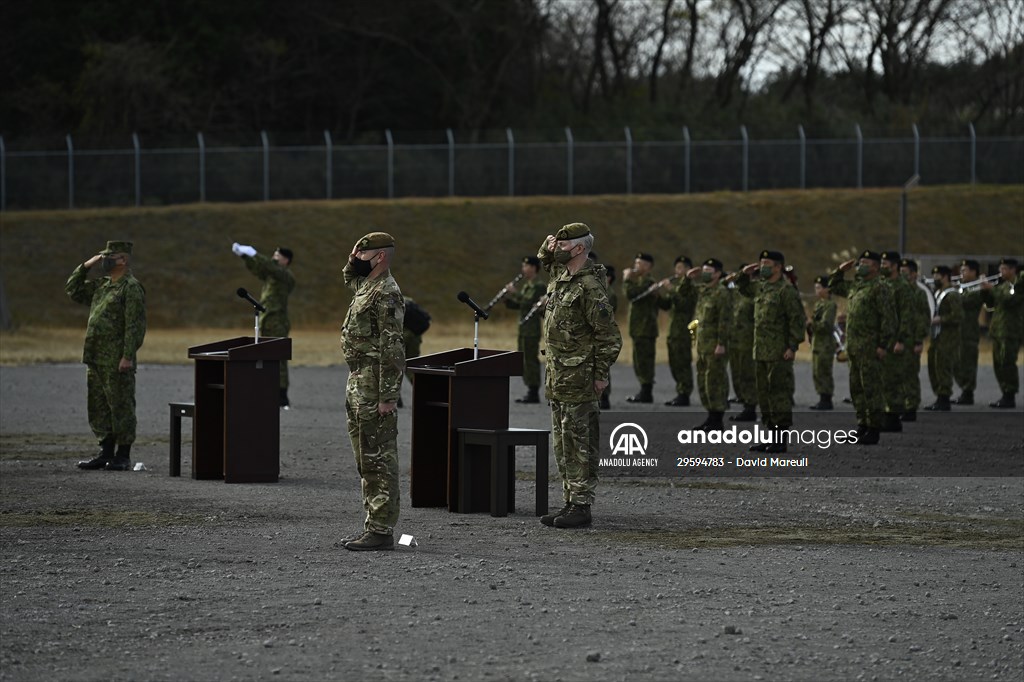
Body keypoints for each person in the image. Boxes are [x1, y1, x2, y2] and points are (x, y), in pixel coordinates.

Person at [538, 222, 621, 529]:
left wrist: (600, 375)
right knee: (562, 444)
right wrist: (548, 247)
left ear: (579, 249)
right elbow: (545, 260)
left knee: (581, 442)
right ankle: (570, 501)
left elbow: (609, 338)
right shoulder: (562, 278)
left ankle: (582, 505)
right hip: (558, 377)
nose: (557, 249)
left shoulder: (590, 288)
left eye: (563, 245)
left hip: (580, 378)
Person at [339, 232, 405, 551]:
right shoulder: (366, 285)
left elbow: (393, 348)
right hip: (358, 379)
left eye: (364, 255)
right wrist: (354, 257)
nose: (357, 259)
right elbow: (348, 274)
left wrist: (388, 396)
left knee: (379, 456)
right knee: (364, 457)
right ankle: (372, 524)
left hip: (374, 381)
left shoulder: (387, 292)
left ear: (380, 258)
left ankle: (381, 529)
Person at [66, 241, 147, 471]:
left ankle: (123, 455)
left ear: (123, 260)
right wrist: (87, 265)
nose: (105, 261)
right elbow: (73, 289)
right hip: (96, 357)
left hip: (117, 359)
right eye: (104, 257)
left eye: (110, 257)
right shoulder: (102, 285)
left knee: (120, 405)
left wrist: (127, 356)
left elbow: (135, 326)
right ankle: (105, 452)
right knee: (99, 406)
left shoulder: (130, 288)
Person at [737, 250, 805, 453]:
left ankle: (780, 440)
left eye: (766, 263)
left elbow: (797, 320)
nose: (762, 266)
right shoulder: (762, 288)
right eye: (761, 263)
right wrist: (744, 274)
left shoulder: (786, 290)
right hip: (761, 351)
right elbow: (742, 289)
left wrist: (792, 346)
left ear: (778, 267)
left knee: (779, 394)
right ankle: (770, 435)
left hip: (778, 352)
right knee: (764, 394)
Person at [827, 251, 897, 445]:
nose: (860, 266)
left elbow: (889, 320)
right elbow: (832, 285)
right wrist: (840, 270)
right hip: (855, 347)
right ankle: (862, 425)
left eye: (865, 263)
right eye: (859, 263)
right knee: (857, 388)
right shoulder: (856, 286)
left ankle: (874, 429)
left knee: (871, 389)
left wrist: (883, 345)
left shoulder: (880, 288)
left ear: (875, 266)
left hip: (871, 347)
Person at [232, 243, 296, 408]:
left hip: (278, 321)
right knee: (263, 356)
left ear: (286, 260)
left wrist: (254, 253)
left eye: (278, 256)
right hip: (266, 319)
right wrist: (245, 256)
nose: (274, 258)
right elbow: (259, 269)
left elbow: (269, 266)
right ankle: (266, 392)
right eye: (273, 254)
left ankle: (282, 396)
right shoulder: (272, 275)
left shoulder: (286, 276)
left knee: (279, 358)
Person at [688, 259, 732, 430]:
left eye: (709, 270)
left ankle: (717, 419)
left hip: (715, 345)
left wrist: (721, 343)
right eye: (704, 270)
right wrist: (687, 278)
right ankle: (710, 416)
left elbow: (725, 321)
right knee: (703, 380)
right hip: (703, 344)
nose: (705, 273)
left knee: (715, 380)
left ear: (718, 274)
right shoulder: (704, 291)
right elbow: (683, 293)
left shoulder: (721, 293)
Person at [878, 251, 917, 432]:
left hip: (895, 340)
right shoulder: (883, 284)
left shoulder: (902, 287)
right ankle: (886, 414)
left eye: (886, 264)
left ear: (894, 266)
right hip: (883, 339)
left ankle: (893, 418)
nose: (882, 266)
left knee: (893, 378)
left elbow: (907, 316)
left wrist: (901, 340)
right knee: (883, 379)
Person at [980, 258, 1023, 408]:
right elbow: (990, 305)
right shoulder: (1002, 286)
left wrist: (991, 288)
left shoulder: (1018, 285)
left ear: (1012, 270)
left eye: (1004, 269)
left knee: (1007, 362)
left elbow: (1008, 301)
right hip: (998, 330)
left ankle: (1009, 394)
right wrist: (985, 292)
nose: (1001, 272)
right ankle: (1004, 392)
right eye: (1000, 269)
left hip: (1011, 331)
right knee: (998, 363)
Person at [504, 256, 546, 404]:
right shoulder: (528, 285)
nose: (523, 269)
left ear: (533, 267)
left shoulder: (538, 285)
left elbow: (528, 301)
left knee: (530, 360)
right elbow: (521, 305)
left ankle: (533, 391)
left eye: (525, 266)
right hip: (523, 328)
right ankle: (529, 389)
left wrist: (514, 292)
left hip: (532, 330)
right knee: (523, 359)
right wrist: (507, 300)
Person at [656, 256, 696, 407]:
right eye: (677, 268)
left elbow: (684, 305)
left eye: (682, 268)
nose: (678, 271)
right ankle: (680, 390)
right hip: (673, 330)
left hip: (683, 330)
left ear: (688, 270)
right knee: (674, 362)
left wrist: (671, 290)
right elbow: (667, 306)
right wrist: (658, 297)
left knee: (683, 362)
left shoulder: (690, 287)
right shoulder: (677, 287)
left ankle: (684, 393)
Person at [925, 265, 963, 411]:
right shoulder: (937, 292)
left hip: (948, 337)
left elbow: (958, 316)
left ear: (946, 277)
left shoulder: (952, 294)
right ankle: (939, 395)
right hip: (937, 336)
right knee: (933, 365)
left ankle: (944, 398)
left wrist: (941, 319)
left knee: (943, 367)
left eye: (938, 276)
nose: (935, 279)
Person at [622, 253, 659, 403]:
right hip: (639, 328)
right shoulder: (641, 281)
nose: (636, 266)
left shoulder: (648, 282)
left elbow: (631, 294)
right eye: (636, 263)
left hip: (645, 328)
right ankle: (644, 390)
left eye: (640, 264)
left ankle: (646, 392)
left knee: (644, 361)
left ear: (648, 266)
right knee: (639, 360)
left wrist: (626, 279)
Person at [898, 258, 931, 421]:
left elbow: (923, 319)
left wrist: (919, 341)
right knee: (897, 374)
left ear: (913, 274)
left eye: (905, 273)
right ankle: (899, 405)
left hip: (911, 340)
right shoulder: (898, 291)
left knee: (910, 374)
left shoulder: (918, 294)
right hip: (898, 339)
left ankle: (911, 407)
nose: (902, 276)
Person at [727, 264, 758, 421]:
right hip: (734, 340)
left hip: (749, 340)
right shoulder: (736, 294)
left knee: (748, 374)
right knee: (737, 373)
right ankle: (744, 400)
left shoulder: (755, 293)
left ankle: (750, 406)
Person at [954, 259, 983, 405]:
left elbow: (964, 302)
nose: (961, 273)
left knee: (968, 363)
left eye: (964, 270)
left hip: (969, 331)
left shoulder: (978, 288)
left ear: (973, 272)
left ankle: (968, 392)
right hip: (958, 331)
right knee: (956, 362)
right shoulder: (964, 287)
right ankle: (963, 388)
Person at [808, 275, 837, 410]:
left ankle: (826, 398)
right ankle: (821, 396)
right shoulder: (819, 304)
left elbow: (826, 325)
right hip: (817, 342)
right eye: (816, 288)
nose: (817, 291)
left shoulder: (830, 305)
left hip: (825, 343)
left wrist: (812, 324)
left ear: (827, 289)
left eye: (820, 288)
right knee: (817, 371)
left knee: (824, 370)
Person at [399, 295, 431, 407]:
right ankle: (423, 395)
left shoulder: (387, 299)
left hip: (402, 334)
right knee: (412, 366)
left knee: (392, 365)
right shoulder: (408, 300)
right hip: (416, 336)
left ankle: (394, 396)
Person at [600, 264, 618, 410]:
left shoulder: (609, 294)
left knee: (603, 366)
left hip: (604, 334)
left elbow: (604, 314)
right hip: (596, 333)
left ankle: (605, 397)